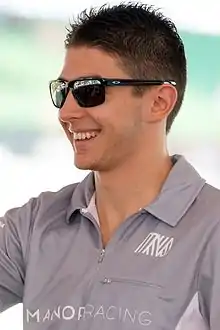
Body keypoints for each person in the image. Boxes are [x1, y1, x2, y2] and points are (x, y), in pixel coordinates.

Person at [0, 2, 219, 330]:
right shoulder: (32, 226)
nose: (66, 112)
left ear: (159, 102)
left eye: (90, 91)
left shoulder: (212, 231)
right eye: (63, 91)